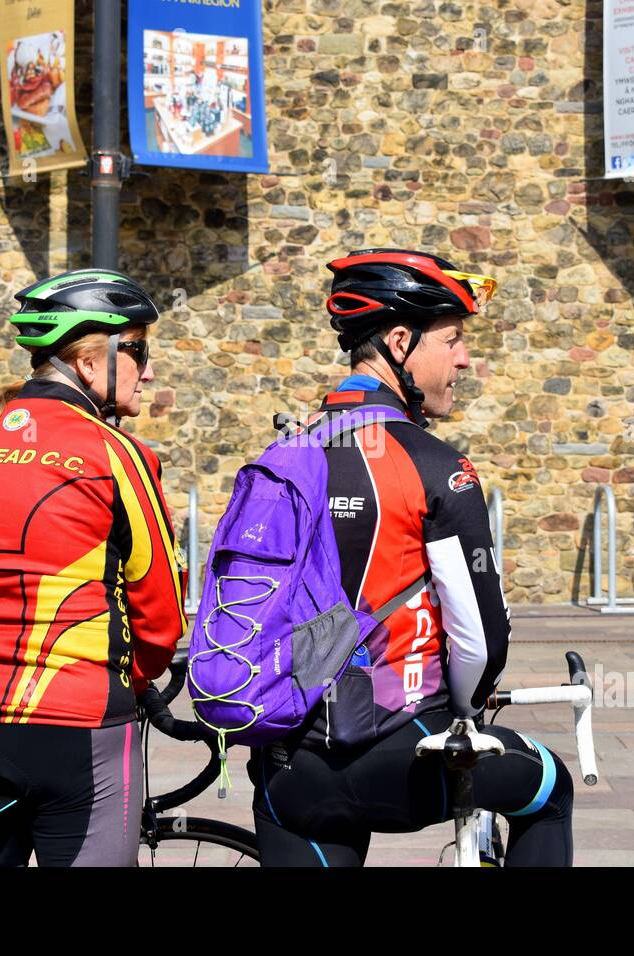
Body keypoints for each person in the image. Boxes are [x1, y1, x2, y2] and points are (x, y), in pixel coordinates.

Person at [245, 249, 574, 867]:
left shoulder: (288, 450)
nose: (464, 359)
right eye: (451, 340)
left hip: (288, 764)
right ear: (399, 341)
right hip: (405, 750)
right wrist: (468, 708)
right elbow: (480, 639)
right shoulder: (434, 465)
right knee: (550, 789)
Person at [0, 269, 187, 866]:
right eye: (138, 351)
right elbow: (160, 607)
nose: (148, 370)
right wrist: (135, 680)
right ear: (90, 363)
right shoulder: (116, 453)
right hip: (76, 716)